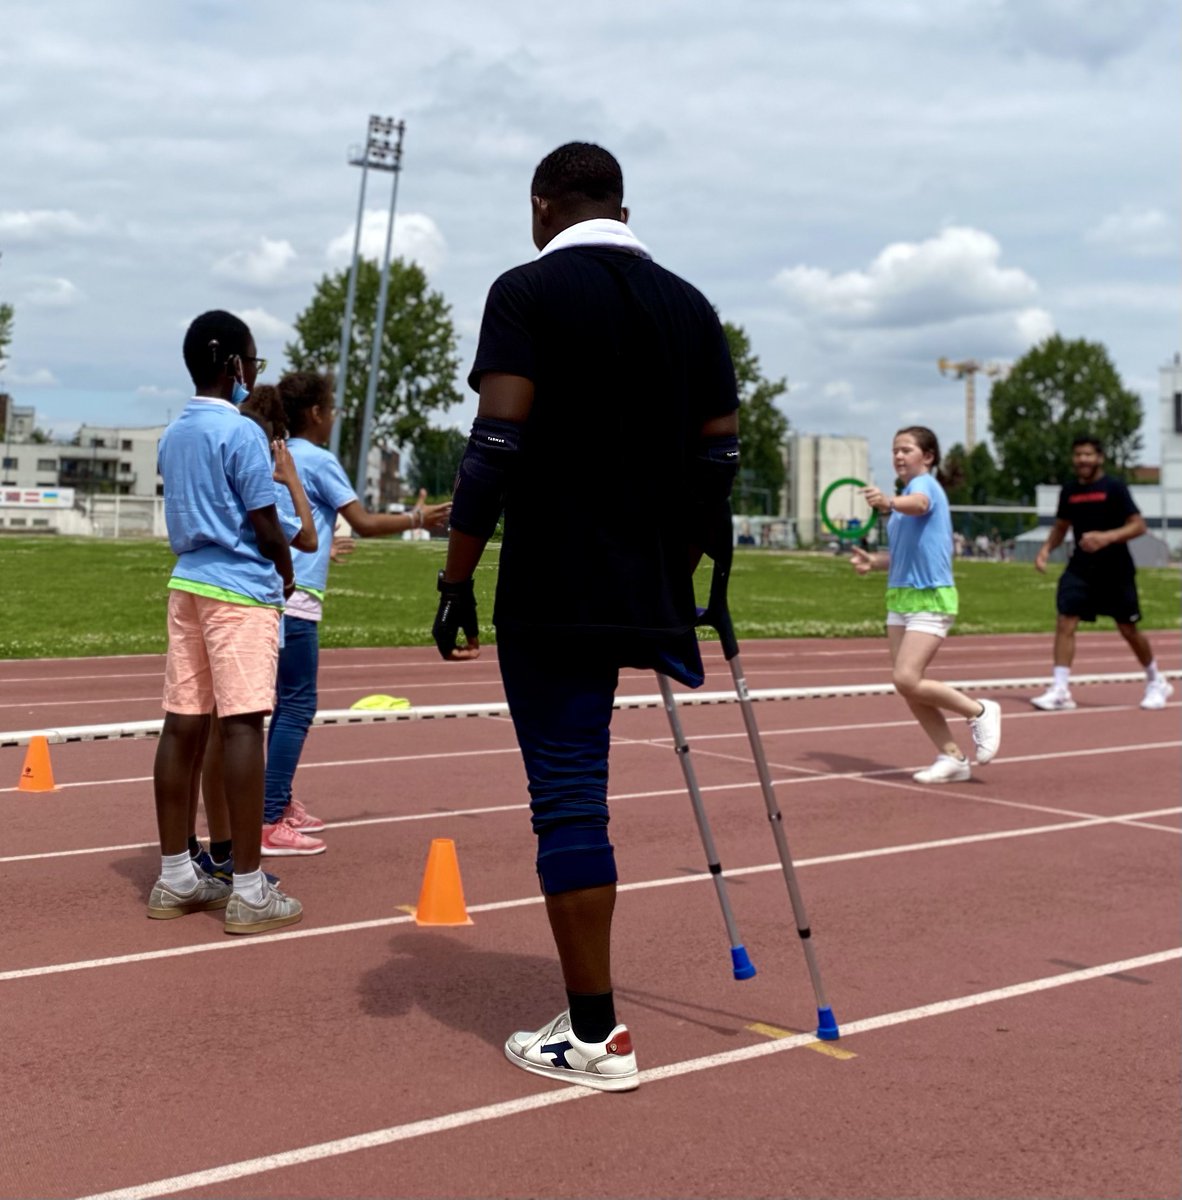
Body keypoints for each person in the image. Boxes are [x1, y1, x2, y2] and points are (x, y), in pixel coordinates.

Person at [432, 142, 740, 1092]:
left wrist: (455, 578)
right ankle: (590, 1023)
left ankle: (596, 1034)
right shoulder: (693, 307)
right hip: (647, 585)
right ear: (623, 209)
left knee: (569, 793)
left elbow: (495, 444)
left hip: (553, 585)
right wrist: (679, 565)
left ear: (541, 206)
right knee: (579, 791)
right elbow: (720, 458)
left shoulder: (525, 291)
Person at [149, 310, 303, 934]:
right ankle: (248, 888)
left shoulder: (172, 433)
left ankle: (176, 875)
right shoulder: (240, 432)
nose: (254, 374)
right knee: (242, 728)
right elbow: (264, 523)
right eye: (253, 361)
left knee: (181, 724)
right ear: (235, 364)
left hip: (187, 583)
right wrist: (286, 568)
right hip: (239, 591)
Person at [262, 371, 451, 855]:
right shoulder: (319, 459)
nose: (336, 416)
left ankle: (276, 800)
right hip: (297, 602)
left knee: (285, 704)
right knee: (297, 706)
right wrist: (418, 517)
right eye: (332, 408)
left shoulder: (274, 454)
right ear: (316, 413)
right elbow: (363, 522)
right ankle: (269, 816)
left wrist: (324, 547)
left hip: (269, 592)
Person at [850, 426, 1002, 784]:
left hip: (930, 596)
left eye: (906, 449)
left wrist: (888, 502)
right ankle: (952, 758)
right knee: (907, 684)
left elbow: (920, 504)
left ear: (928, 457)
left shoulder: (924, 486)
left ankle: (979, 710)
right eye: (895, 450)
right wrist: (875, 562)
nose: (898, 456)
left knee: (906, 677)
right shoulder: (903, 503)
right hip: (900, 596)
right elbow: (905, 553)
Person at [1030, 435, 1172, 712]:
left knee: (1128, 628)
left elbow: (1138, 526)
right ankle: (1060, 690)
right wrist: (1045, 549)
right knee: (1065, 619)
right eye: (1078, 455)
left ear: (1099, 458)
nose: (1082, 459)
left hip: (1115, 568)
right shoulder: (1069, 491)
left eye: (1087, 454)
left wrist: (1106, 537)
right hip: (1081, 567)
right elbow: (1061, 526)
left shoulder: (1114, 488)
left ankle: (1156, 680)